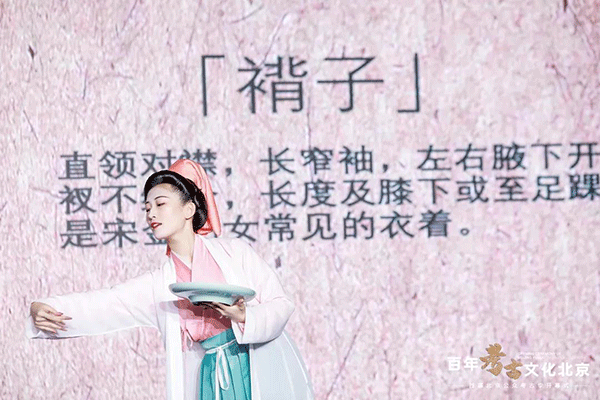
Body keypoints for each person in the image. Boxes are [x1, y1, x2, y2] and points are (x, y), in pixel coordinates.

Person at [26, 159, 314, 400]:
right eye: (147, 207)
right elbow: (107, 303)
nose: (151, 213)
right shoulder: (159, 284)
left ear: (189, 209)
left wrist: (244, 316)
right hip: (208, 377)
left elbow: (281, 303)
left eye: (160, 204)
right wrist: (45, 307)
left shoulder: (235, 253)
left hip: (254, 366)